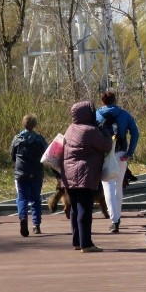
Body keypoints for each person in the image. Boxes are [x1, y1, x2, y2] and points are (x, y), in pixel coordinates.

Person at [62, 101, 113, 252]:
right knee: (84, 208)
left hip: (68, 174)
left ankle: (77, 241)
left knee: (75, 209)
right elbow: (106, 145)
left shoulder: (70, 129)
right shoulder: (90, 130)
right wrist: (104, 130)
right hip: (85, 174)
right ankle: (86, 244)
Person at [96, 91, 140, 233]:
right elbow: (135, 133)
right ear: (115, 100)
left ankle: (114, 221)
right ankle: (117, 217)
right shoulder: (125, 114)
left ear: (102, 101)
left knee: (108, 187)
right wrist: (129, 152)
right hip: (121, 155)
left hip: (104, 156)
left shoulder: (96, 114)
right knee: (118, 186)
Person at [10, 114, 48, 237]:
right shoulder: (40, 139)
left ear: (23, 124)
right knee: (36, 198)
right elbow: (46, 154)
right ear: (35, 125)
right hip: (36, 172)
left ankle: (23, 218)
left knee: (22, 198)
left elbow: (12, 155)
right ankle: (36, 225)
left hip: (21, 172)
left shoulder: (17, 138)